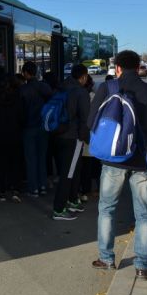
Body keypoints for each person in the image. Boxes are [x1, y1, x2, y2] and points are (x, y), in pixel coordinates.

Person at [89, 50, 147, 280]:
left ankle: (107, 258)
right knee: (143, 215)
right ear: (139, 66)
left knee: (107, 209)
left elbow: (92, 122)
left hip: (113, 161)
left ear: (117, 68)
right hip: (142, 162)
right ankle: (142, 265)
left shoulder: (107, 88)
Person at [51, 64, 90, 220]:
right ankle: (59, 209)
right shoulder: (81, 92)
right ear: (84, 76)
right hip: (72, 137)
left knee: (71, 170)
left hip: (57, 134)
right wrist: (84, 138)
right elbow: (85, 118)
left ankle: (73, 199)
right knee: (68, 173)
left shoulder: (61, 87)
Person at [20, 62, 53, 197]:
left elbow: (20, 110)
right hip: (43, 127)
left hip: (28, 128)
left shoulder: (22, 90)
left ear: (25, 73)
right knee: (41, 157)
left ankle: (33, 188)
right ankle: (43, 185)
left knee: (31, 158)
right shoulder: (45, 87)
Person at [0, 74, 24, 202]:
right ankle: (15, 189)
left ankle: (2, 191)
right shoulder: (18, 99)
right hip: (15, 135)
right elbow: (22, 118)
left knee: (2, 164)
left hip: (0, 135)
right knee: (15, 163)